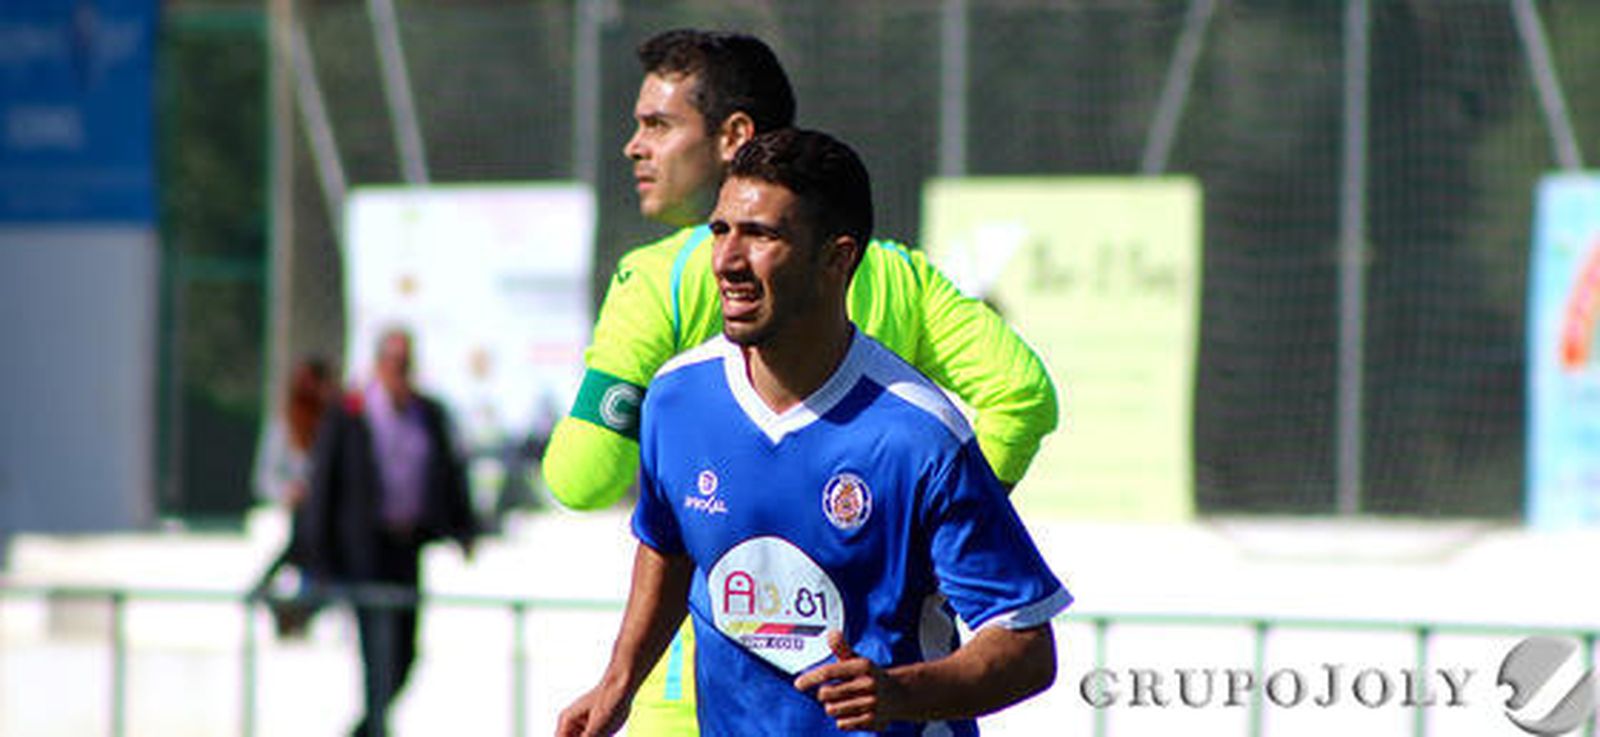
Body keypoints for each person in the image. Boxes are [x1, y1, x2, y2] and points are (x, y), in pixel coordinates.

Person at [541, 29, 1061, 734]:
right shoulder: (678, 396)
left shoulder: (921, 438)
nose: (723, 260)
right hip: (687, 710)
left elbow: (1029, 649)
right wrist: (618, 680)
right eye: (719, 230)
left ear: (836, 260)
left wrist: (904, 680)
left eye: (757, 235)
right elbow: (662, 539)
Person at [296, 327, 478, 737]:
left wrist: (463, 529)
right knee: (377, 650)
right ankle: (375, 730)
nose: (401, 371)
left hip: (405, 548)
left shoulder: (428, 413)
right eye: (394, 363)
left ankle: (365, 729)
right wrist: (319, 556)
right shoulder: (351, 412)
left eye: (406, 363)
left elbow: (448, 473)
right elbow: (324, 484)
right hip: (364, 551)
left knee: (406, 655)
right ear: (378, 365)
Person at [250, 355, 337, 638]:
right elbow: (265, 479)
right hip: (299, 517)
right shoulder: (284, 428)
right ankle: (287, 609)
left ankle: (301, 610)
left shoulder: (335, 427)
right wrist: (289, 491)